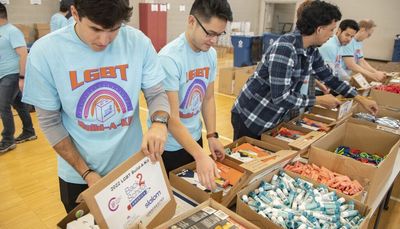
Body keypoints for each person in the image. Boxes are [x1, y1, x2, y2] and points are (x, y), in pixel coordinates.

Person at [22, 0, 170, 212]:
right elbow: (50, 121)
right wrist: (86, 173)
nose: (104, 40)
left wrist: (159, 123)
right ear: (75, 13)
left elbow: (156, 94)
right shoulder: (45, 52)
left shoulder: (138, 42)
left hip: (132, 168)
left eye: (114, 30)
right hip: (79, 174)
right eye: (96, 29)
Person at [231, 1, 378, 140]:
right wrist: (318, 100)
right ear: (319, 29)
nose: (332, 34)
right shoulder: (285, 48)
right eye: (331, 29)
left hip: (272, 115)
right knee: (244, 161)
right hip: (251, 116)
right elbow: (281, 97)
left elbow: (328, 77)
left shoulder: (311, 50)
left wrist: (359, 98)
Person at [158, 0, 232, 190]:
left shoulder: (210, 54)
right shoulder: (169, 58)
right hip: (170, 146)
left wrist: (212, 135)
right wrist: (200, 155)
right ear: (192, 21)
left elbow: (207, 98)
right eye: (210, 33)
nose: (214, 40)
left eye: (219, 34)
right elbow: (171, 118)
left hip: (195, 139)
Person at [0, 3, 37, 153]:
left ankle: (8, 140)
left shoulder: (12, 31)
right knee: (19, 105)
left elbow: (23, 54)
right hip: (3, 74)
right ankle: (29, 131)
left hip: (12, 74)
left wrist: (22, 77)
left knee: (3, 106)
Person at [316, 19, 359, 96]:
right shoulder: (330, 46)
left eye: (352, 37)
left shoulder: (339, 45)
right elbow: (330, 74)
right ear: (339, 31)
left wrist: (349, 79)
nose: (349, 39)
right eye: (347, 35)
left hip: (327, 85)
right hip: (319, 88)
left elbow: (337, 66)